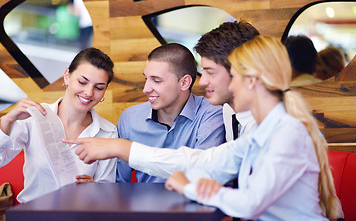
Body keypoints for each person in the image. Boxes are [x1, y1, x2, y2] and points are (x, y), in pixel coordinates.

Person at [164, 36, 341, 220]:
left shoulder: (288, 131)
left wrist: (190, 188)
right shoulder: (260, 130)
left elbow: (251, 204)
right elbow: (215, 166)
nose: (231, 86)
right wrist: (199, 181)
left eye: (234, 77)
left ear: (252, 81)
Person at [63, 20, 260, 181]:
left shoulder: (230, 115)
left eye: (210, 72)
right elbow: (216, 164)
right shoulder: (233, 114)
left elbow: (205, 167)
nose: (204, 81)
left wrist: (123, 148)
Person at [0, 48, 117, 203]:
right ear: (67, 76)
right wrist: (7, 120)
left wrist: (94, 189)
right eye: (82, 82)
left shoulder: (108, 132)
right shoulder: (34, 117)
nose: (89, 92)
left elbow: (107, 193)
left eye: (99, 87)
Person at [115, 43, 225, 183]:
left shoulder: (211, 114)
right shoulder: (130, 118)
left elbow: (204, 173)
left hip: (191, 201)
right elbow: (120, 184)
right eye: (146, 79)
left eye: (156, 80)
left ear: (184, 82)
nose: (146, 89)